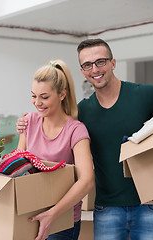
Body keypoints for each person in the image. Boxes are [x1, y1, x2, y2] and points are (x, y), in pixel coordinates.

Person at [18, 39, 153, 240]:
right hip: (107, 208)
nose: (95, 69)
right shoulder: (82, 112)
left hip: (148, 204)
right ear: (82, 71)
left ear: (113, 63)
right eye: (87, 65)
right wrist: (27, 123)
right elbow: (55, 125)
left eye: (101, 62)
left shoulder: (144, 94)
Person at [18, 60, 94, 240]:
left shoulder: (76, 130)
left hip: (62, 221)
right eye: (33, 96)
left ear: (62, 94)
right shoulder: (29, 122)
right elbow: (18, 169)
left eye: (44, 97)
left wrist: (52, 214)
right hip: (30, 215)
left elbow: (87, 181)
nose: (37, 103)